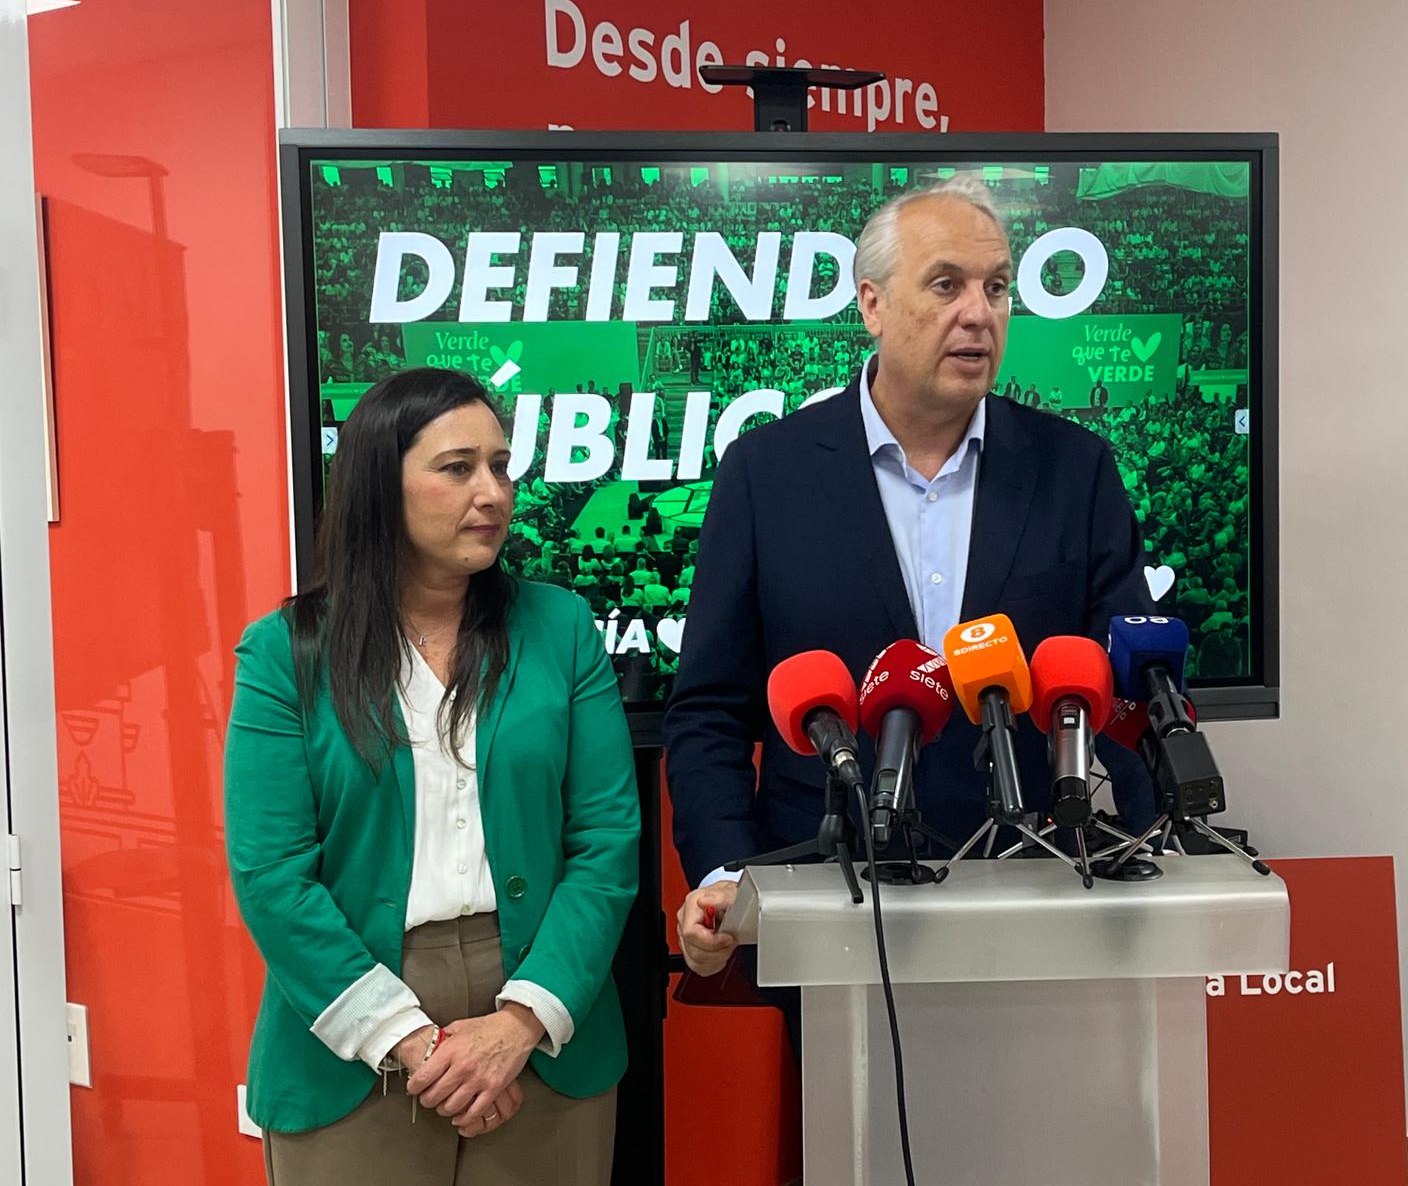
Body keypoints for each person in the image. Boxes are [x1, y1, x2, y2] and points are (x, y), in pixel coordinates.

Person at [664, 176, 1158, 990]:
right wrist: (726, 875)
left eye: (997, 287)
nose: (980, 312)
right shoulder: (768, 474)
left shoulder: (1076, 472)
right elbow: (712, 710)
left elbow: (1124, 694)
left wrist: (1152, 847)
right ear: (873, 305)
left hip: (1028, 891)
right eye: (946, 284)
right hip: (830, 900)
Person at [224, 368, 639, 1186]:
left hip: (545, 1013)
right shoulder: (285, 651)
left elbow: (606, 842)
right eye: (458, 468)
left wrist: (519, 1022)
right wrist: (414, 1043)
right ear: (382, 484)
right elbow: (270, 875)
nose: (492, 492)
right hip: (351, 1024)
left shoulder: (560, 628)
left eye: (501, 465)